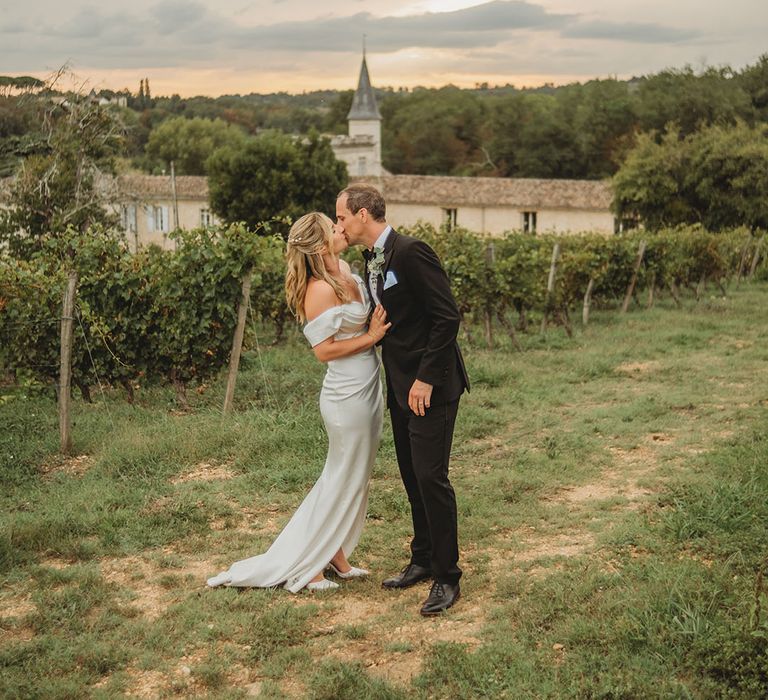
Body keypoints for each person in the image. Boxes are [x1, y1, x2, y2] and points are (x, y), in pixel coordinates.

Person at [206, 212, 390, 593]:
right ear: (321, 244)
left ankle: (335, 555)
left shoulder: (345, 270)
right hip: (346, 396)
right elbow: (324, 352)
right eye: (333, 226)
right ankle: (309, 568)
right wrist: (371, 337)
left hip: (368, 386)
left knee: (355, 476)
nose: (341, 228)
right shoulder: (319, 289)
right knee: (339, 477)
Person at [335, 184, 470, 615]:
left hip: (430, 387)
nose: (339, 225)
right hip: (398, 385)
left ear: (361, 214)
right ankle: (423, 559)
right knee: (412, 476)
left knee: (432, 477)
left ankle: (447, 577)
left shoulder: (412, 251)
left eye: (341, 218)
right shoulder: (371, 260)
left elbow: (447, 316)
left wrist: (426, 379)